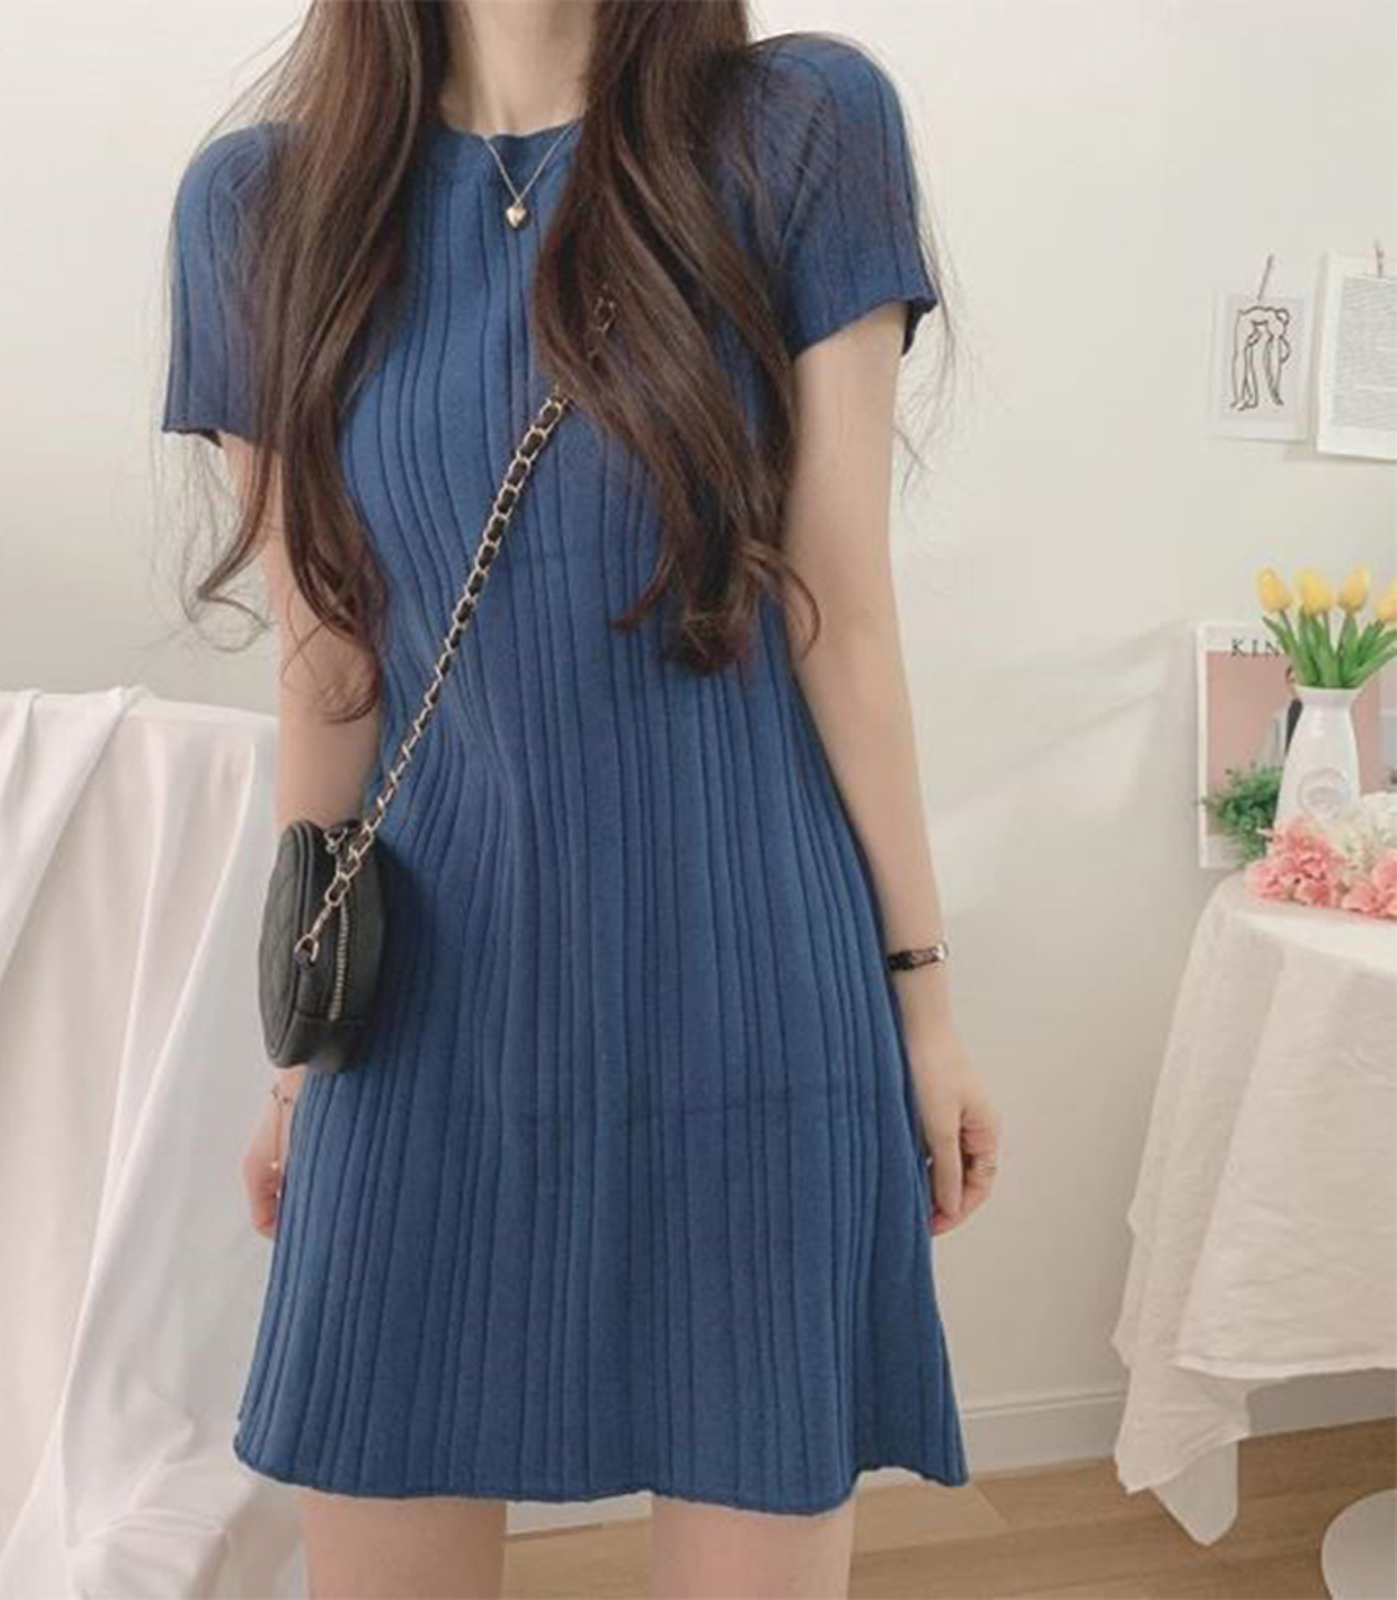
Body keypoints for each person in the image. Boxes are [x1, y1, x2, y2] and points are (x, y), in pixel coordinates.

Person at [160, 3, 1002, 1595]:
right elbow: (327, 666)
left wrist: (924, 1002)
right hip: (425, 1014)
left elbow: (840, 610)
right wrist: (298, 1059)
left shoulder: (797, 131)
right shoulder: (264, 209)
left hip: (753, 991)